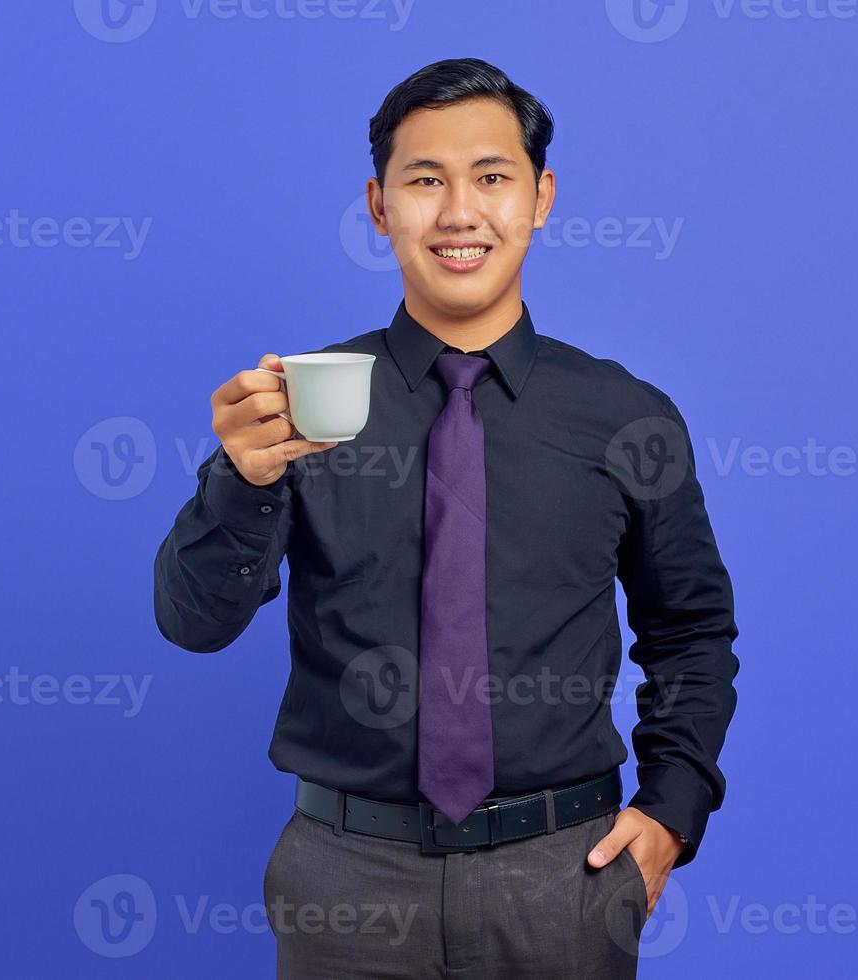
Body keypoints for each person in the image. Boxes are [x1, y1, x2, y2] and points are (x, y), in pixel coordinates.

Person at [153, 57, 739, 979]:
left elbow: (692, 631)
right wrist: (241, 476)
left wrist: (671, 810)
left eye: (492, 178)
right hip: (345, 875)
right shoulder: (300, 404)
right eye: (425, 180)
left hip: (564, 878)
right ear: (380, 205)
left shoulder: (626, 417)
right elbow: (194, 623)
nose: (460, 212)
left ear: (541, 198)